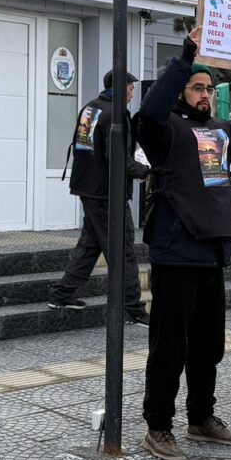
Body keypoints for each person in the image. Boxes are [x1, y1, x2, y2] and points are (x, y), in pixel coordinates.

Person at [135, 26, 231, 460]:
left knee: (208, 345)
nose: (205, 94)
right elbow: (149, 111)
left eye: (209, 89)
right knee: (169, 346)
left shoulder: (220, 132)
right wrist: (186, 57)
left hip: (211, 252)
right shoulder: (163, 130)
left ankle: (201, 418)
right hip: (175, 252)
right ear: (181, 90)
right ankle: (158, 426)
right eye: (197, 87)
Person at [50, 70, 150, 323]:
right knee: (123, 249)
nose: (132, 92)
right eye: (130, 88)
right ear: (118, 88)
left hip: (88, 187)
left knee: (91, 244)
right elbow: (119, 158)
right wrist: (146, 171)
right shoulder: (115, 115)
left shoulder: (90, 108)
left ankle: (62, 294)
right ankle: (134, 309)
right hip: (107, 193)